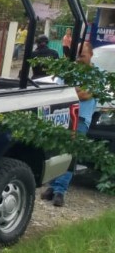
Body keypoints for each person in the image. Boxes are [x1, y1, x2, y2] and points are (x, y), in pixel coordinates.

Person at [41, 41, 97, 207]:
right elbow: (60, 93)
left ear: (91, 55)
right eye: (77, 55)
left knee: (70, 154)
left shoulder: (96, 74)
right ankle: (52, 186)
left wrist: (73, 90)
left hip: (81, 118)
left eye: (82, 55)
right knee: (57, 152)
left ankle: (60, 190)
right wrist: (76, 91)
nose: (79, 59)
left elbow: (86, 95)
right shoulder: (67, 70)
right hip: (63, 117)